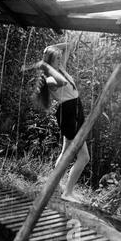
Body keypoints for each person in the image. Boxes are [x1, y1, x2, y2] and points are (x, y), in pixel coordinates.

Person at [29, 40, 90, 203]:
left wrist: (51, 49)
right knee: (84, 157)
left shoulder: (60, 68)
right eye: (56, 59)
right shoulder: (49, 78)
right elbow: (56, 83)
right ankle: (67, 192)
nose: (60, 59)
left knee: (65, 153)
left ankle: (54, 185)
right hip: (69, 113)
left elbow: (68, 45)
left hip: (75, 109)